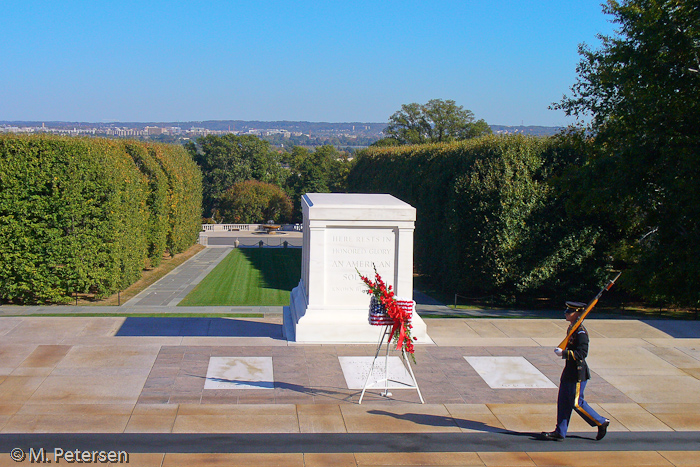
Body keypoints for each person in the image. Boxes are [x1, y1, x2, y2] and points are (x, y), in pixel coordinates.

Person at [541, 301, 610, 441]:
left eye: (569, 311)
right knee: (563, 401)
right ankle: (560, 432)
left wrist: (564, 353)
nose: (566, 313)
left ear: (578, 314)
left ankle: (601, 422)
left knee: (576, 403)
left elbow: (582, 353)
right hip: (569, 371)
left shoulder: (581, 332)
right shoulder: (572, 328)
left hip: (578, 373)